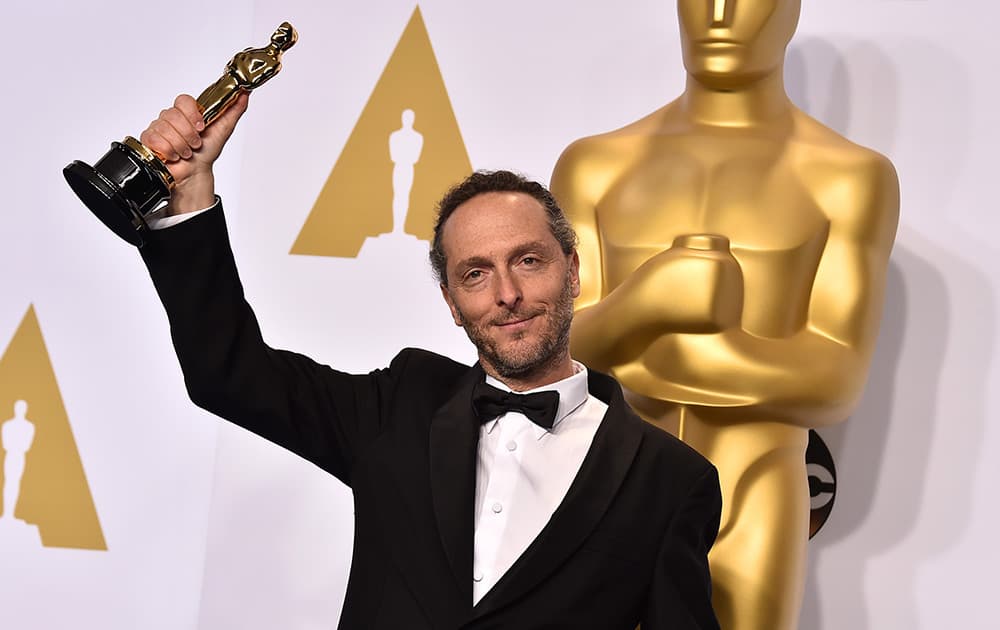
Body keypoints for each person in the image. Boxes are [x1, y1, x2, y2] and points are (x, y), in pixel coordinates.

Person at [136, 91, 722, 629]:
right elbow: (228, 373)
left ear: (572, 271)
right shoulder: (402, 404)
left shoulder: (670, 480)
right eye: (476, 273)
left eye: (528, 261)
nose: (507, 295)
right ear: (451, 302)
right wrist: (190, 195)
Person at [550, 0, 900, 628]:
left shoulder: (848, 178)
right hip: (607, 479)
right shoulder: (596, 166)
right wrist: (649, 298)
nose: (719, 13)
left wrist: (690, 350)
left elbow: (835, 381)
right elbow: (552, 353)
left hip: (756, 486)